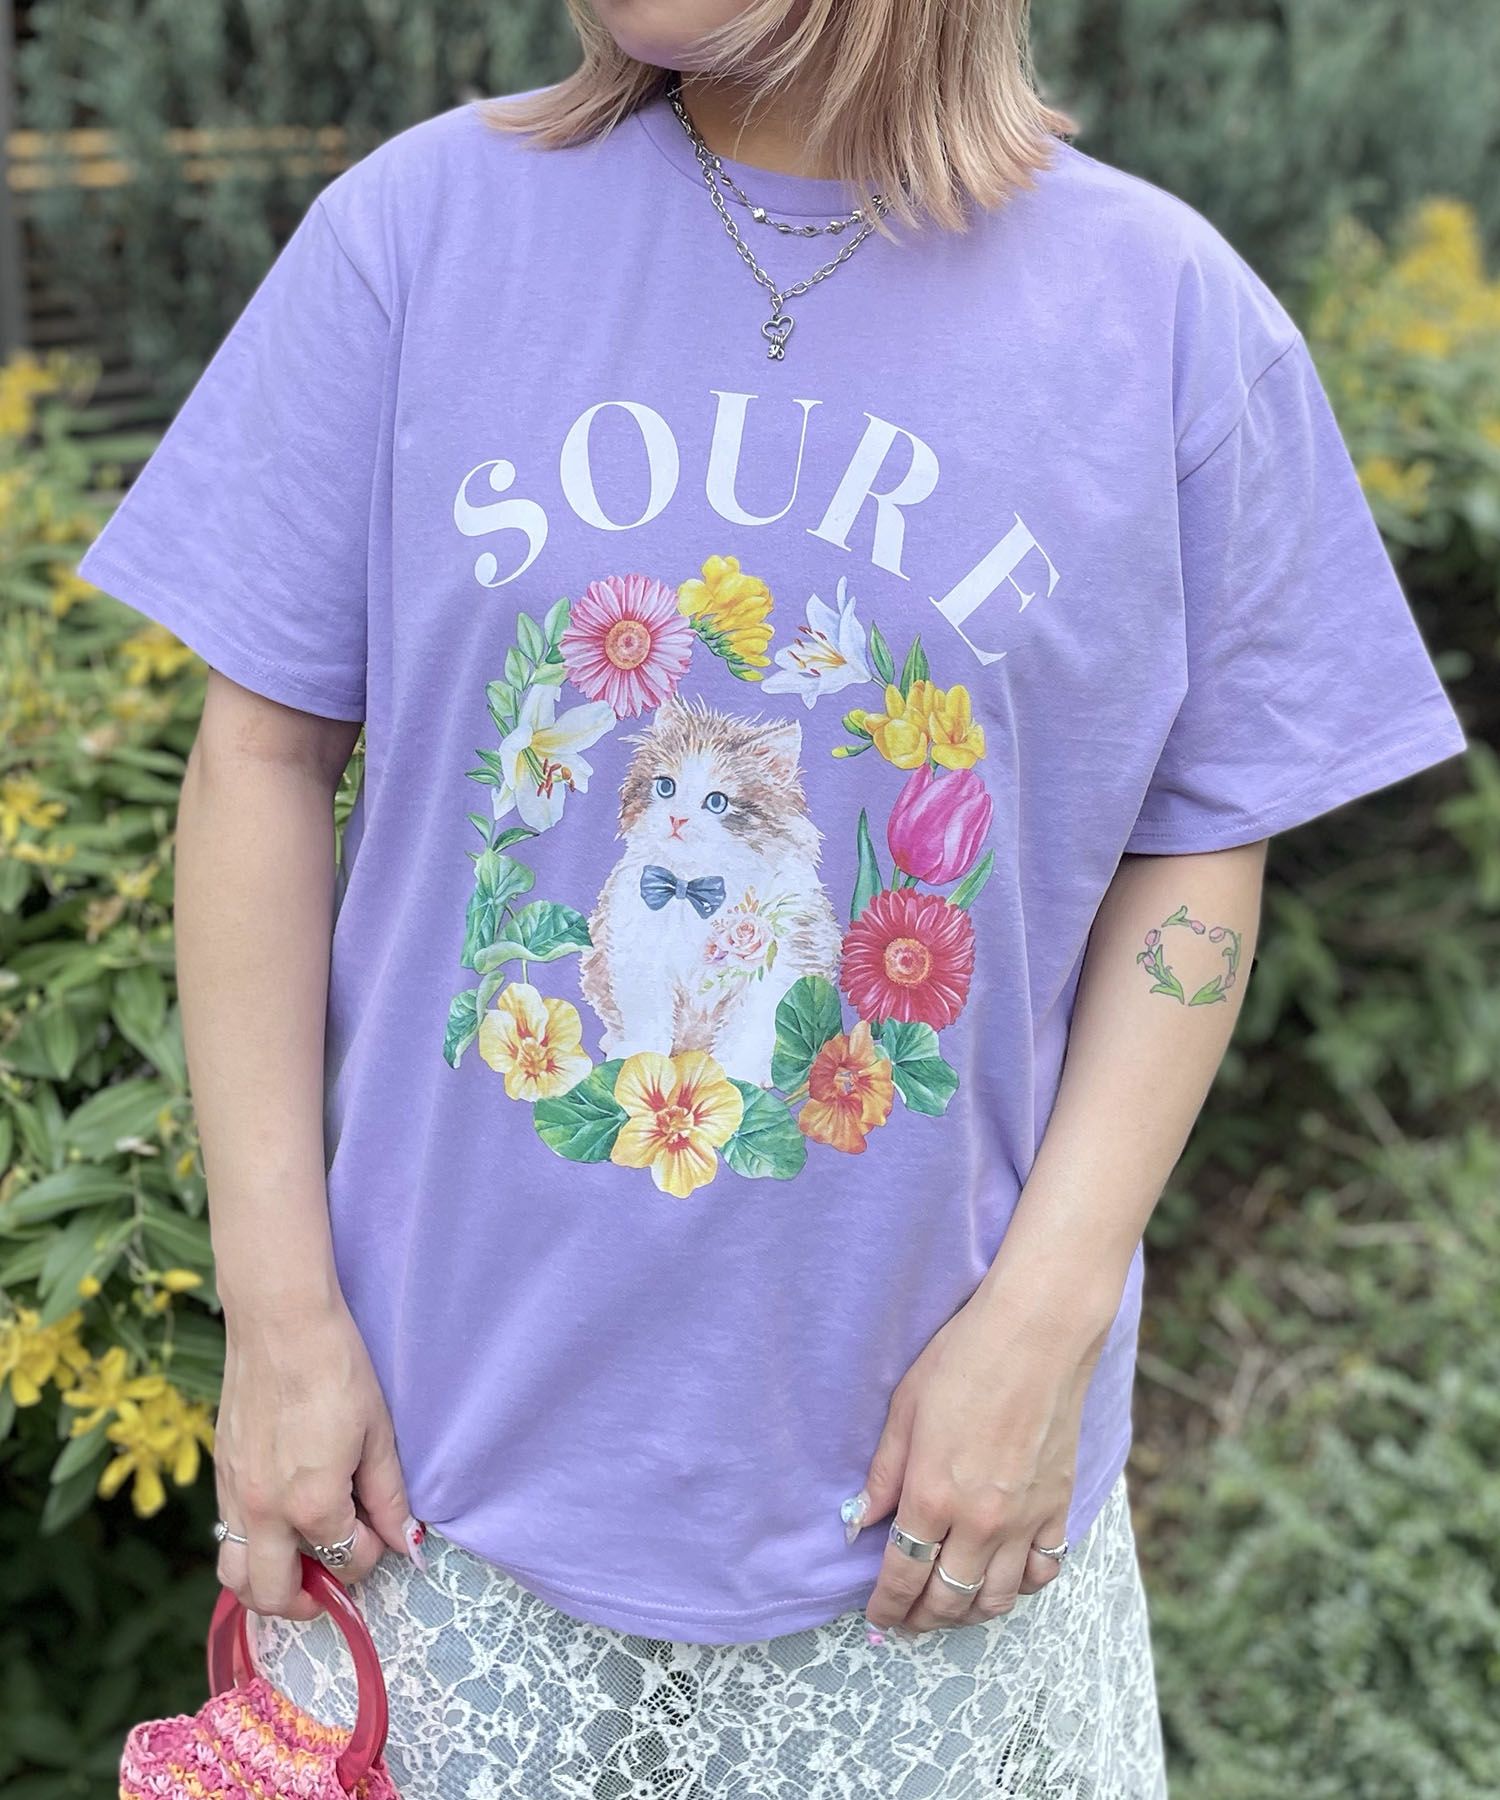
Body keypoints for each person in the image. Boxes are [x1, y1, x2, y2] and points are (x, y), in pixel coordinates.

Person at [75, 0, 1468, 1793]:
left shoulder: (1169, 318)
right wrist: (275, 1320)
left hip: (926, 1531)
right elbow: (258, 761)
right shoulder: (414, 236)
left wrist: (1044, 1324)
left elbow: (1201, 844)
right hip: (427, 1499)